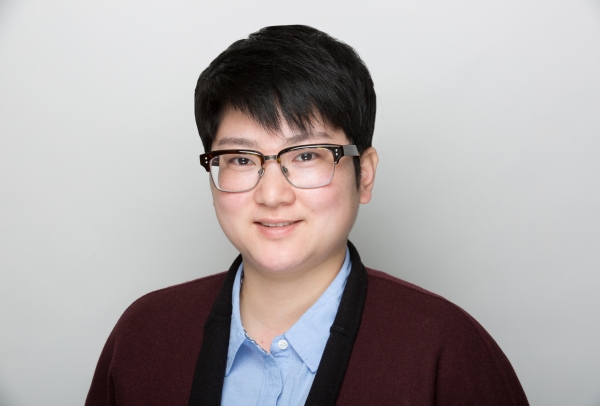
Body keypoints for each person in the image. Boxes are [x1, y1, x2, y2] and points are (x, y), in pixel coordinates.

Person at [86, 25, 529, 406]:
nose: (272, 195)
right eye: (241, 159)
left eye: (306, 155)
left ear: (365, 174)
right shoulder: (144, 336)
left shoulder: (446, 349)